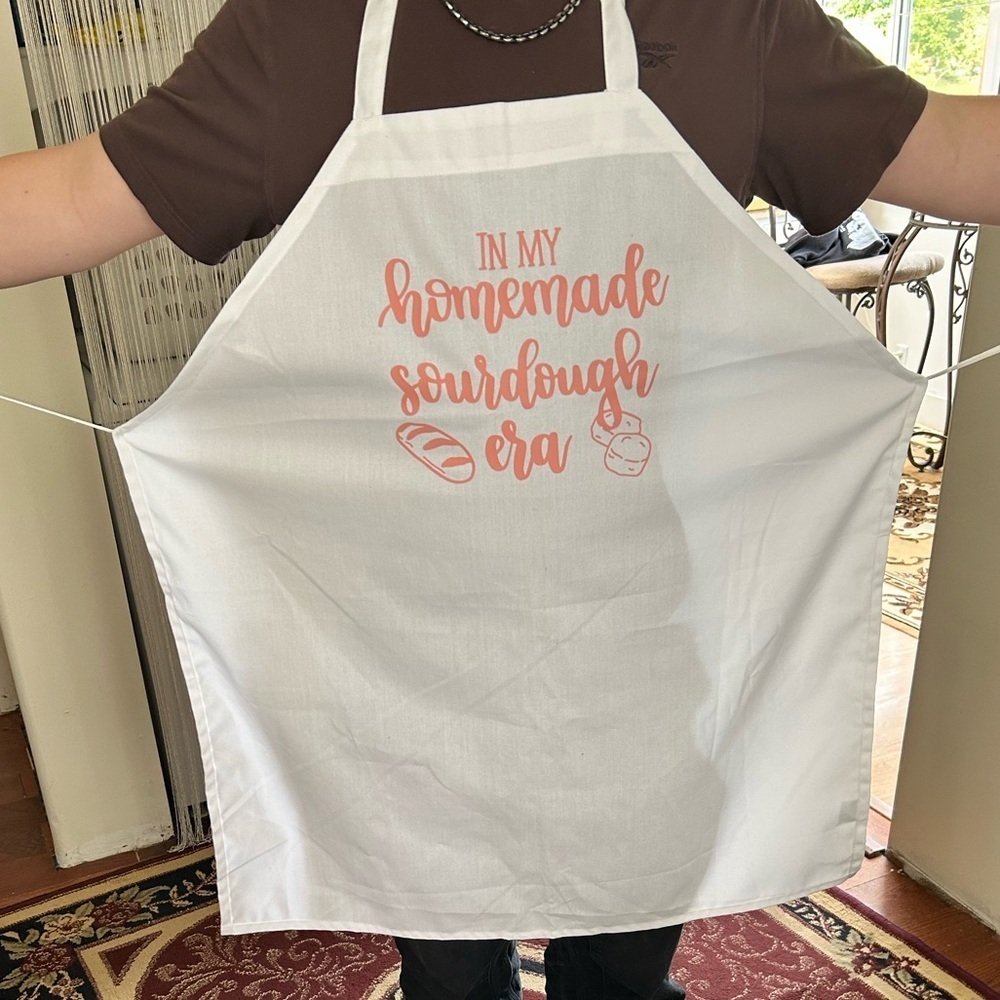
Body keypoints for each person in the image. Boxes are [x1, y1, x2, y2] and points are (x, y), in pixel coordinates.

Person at [1, 1, 998, 998]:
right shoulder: (302, 28)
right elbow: (71, 197)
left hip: (642, 630)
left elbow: (954, 145)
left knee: (623, 942)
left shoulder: (724, 19)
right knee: (448, 962)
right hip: (393, 645)